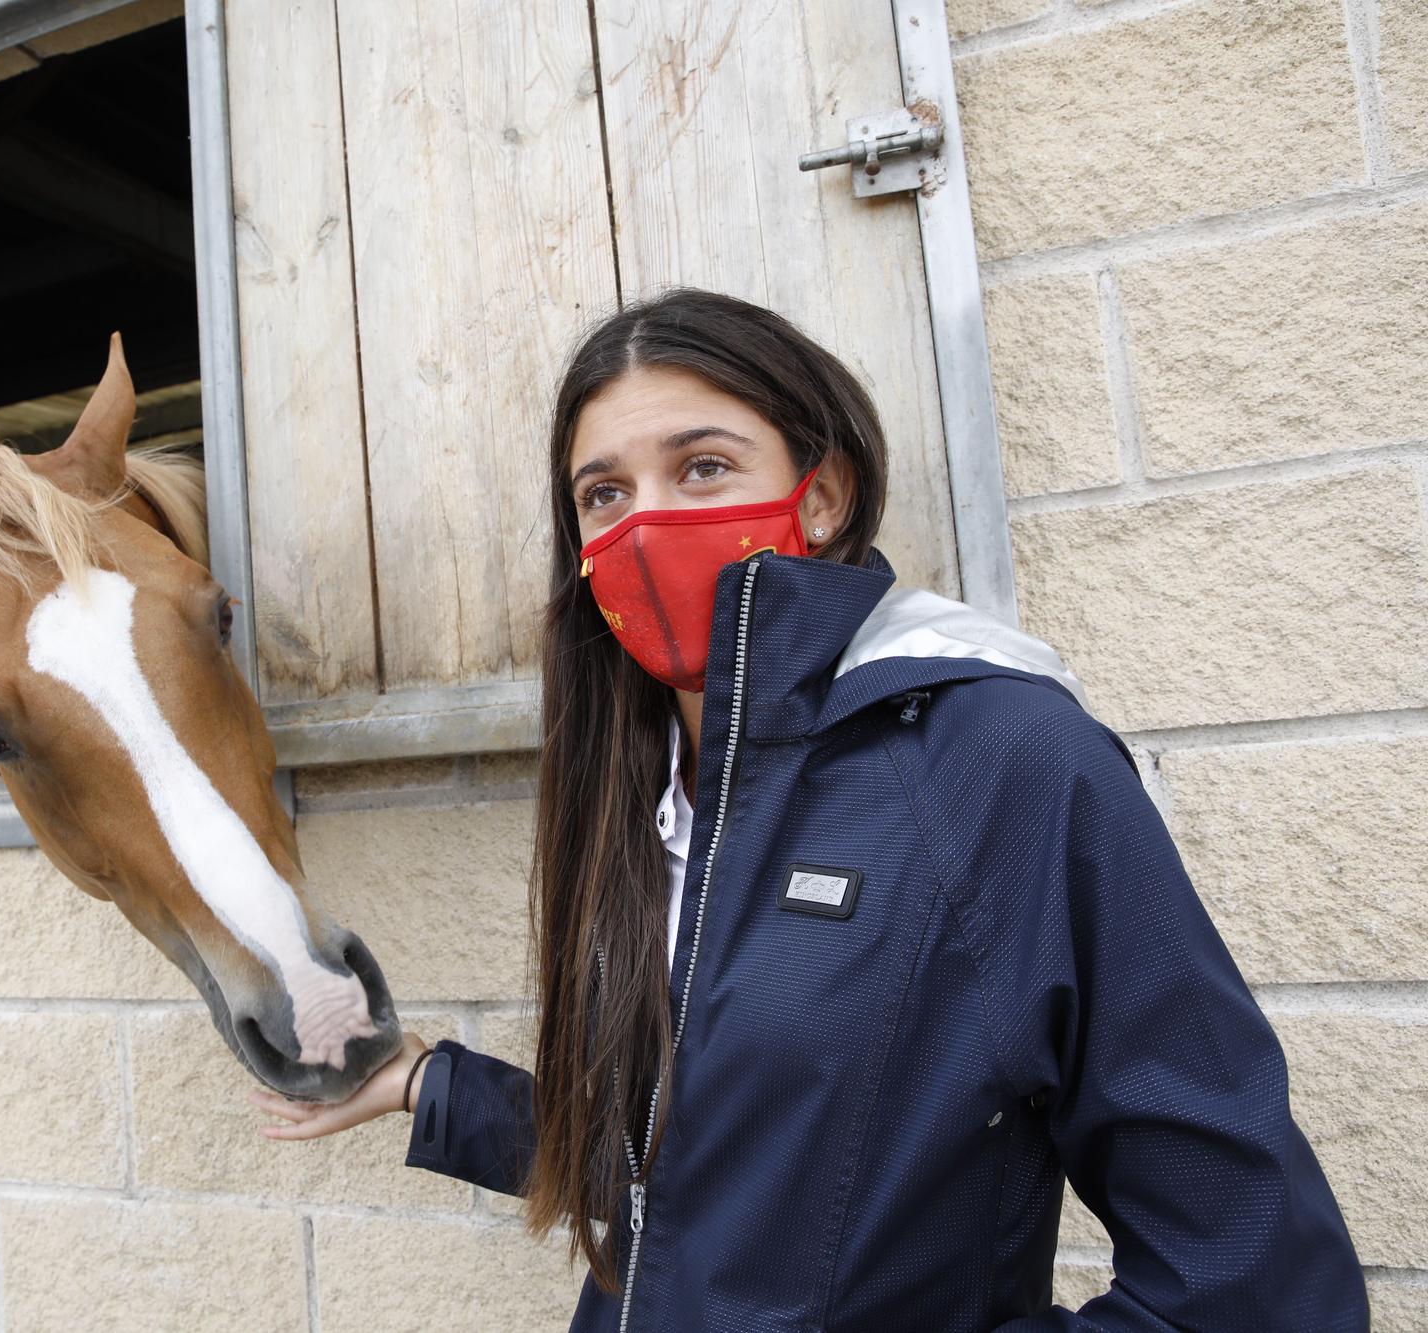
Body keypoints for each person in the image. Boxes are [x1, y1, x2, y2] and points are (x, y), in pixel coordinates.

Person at [248, 288, 1367, 1329]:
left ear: (819, 496)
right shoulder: (643, 796)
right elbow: (704, 1172)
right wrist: (424, 1083)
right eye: (604, 492)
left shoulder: (1000, 762)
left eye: (700, 467)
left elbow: (1250, 1273)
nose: (644, 523)